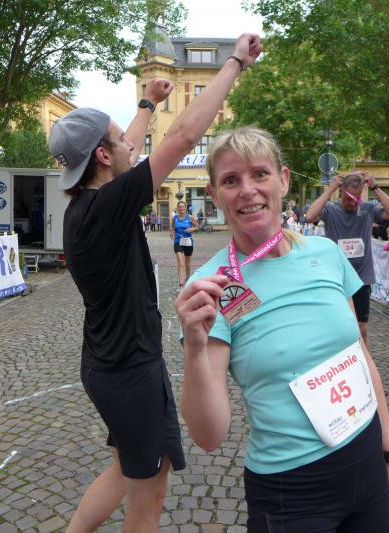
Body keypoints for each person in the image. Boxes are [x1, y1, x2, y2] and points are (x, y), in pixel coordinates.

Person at [52, 34, 263, 533]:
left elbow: (121, 147)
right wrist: (234, 62)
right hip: (129, 372)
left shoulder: (87, 206)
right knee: (149, 494)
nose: (131, 141)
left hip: (110, 363)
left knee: (128, 470)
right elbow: (183, 137)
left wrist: (147, 103)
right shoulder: (109, 206)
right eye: (119, 139)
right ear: (103, 157)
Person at [177, 126, 389, 532]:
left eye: (260, 174)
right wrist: (195, 348)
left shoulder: (325, 253)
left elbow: (361, 358)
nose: (247, 190)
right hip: (292, 489)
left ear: (283, 180)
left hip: (366, 461)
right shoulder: (211, 287)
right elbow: (209, 436)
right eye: (231, 180)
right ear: (214, 195)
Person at [305, 171, 389, 347]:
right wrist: (329, 189)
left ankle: (364, 360)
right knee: (336, 328)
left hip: (361, 279)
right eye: (349, 198)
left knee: (361, 328)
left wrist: (375, 187)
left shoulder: (367, 208)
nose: (353, 202)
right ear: (341, 192)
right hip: (336, 278)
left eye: (357, 198)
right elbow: (310, 216)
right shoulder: (331, 209)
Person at [170, 200, 199, 289]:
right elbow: (172, 227)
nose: (181, 208)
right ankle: (181, 284)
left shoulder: (189, 217)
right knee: (181, 262)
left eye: (183, 206)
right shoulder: (174, 218)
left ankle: (188, 278)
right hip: (178, 242)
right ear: (177, 208)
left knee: (187, 264)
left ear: (185, 208)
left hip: (188, 242)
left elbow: (197, 226)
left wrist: (192, 229)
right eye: (179, 207)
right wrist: (172, 232)